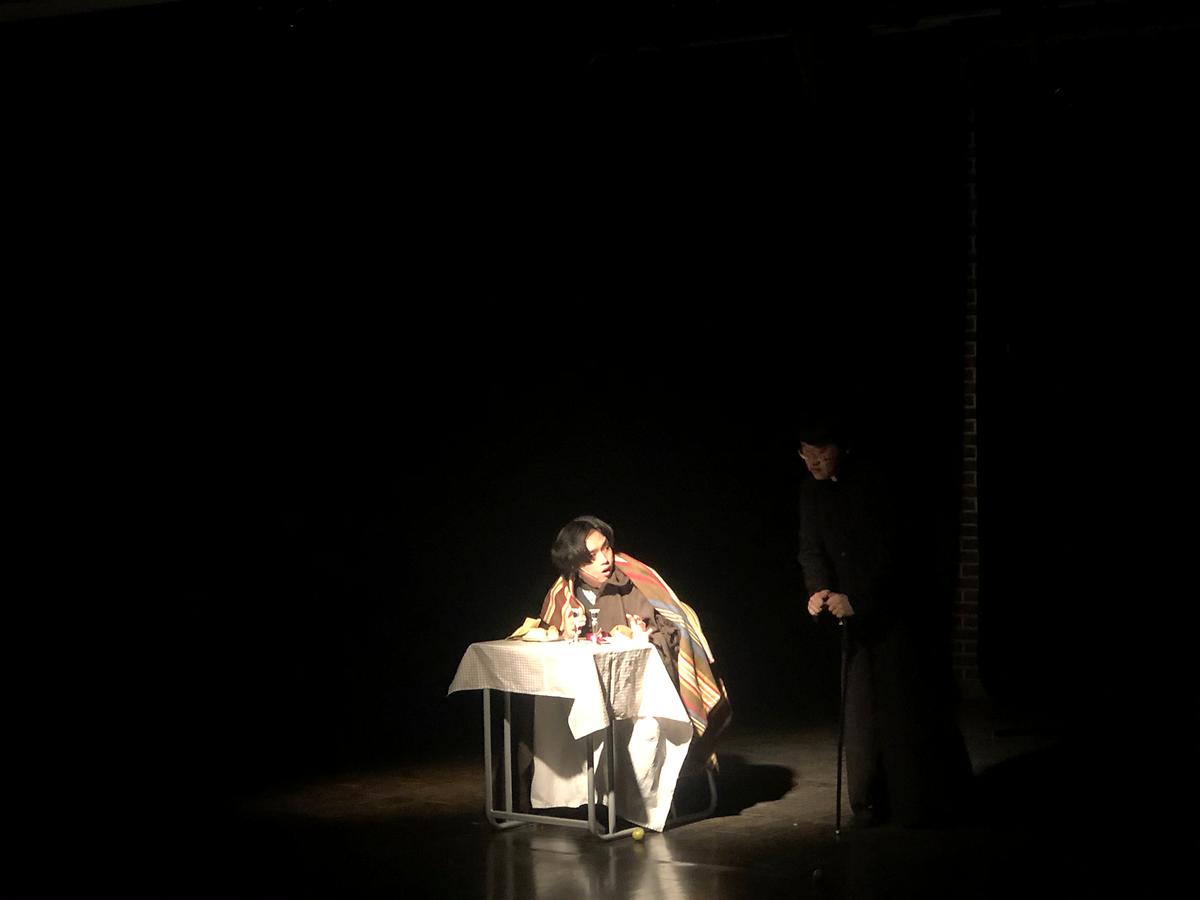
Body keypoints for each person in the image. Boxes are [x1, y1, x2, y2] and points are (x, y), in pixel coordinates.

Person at [798, 418, 971, 827]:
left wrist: (858, 600)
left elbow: (895, 554)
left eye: (822, 453)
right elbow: (810, 548)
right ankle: (868, 801)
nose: (815, 462)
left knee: (903, 709)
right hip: (852, 617)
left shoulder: (875, 484)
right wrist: (819, 589)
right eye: (807, 454)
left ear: (841, 448)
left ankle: (920, 803)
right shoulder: (811, 492)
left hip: (894, 612)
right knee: (859, 711)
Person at [539, 515, 680, 685]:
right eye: (591, 556)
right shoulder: (562, 594)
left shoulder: (635, 584)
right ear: (574, 564)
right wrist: (565, 636)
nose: (605, 560)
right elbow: (543, 656)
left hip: (633, 682)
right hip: (582, 683)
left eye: (606, 548)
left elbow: (673, 637)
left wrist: (644, 642)